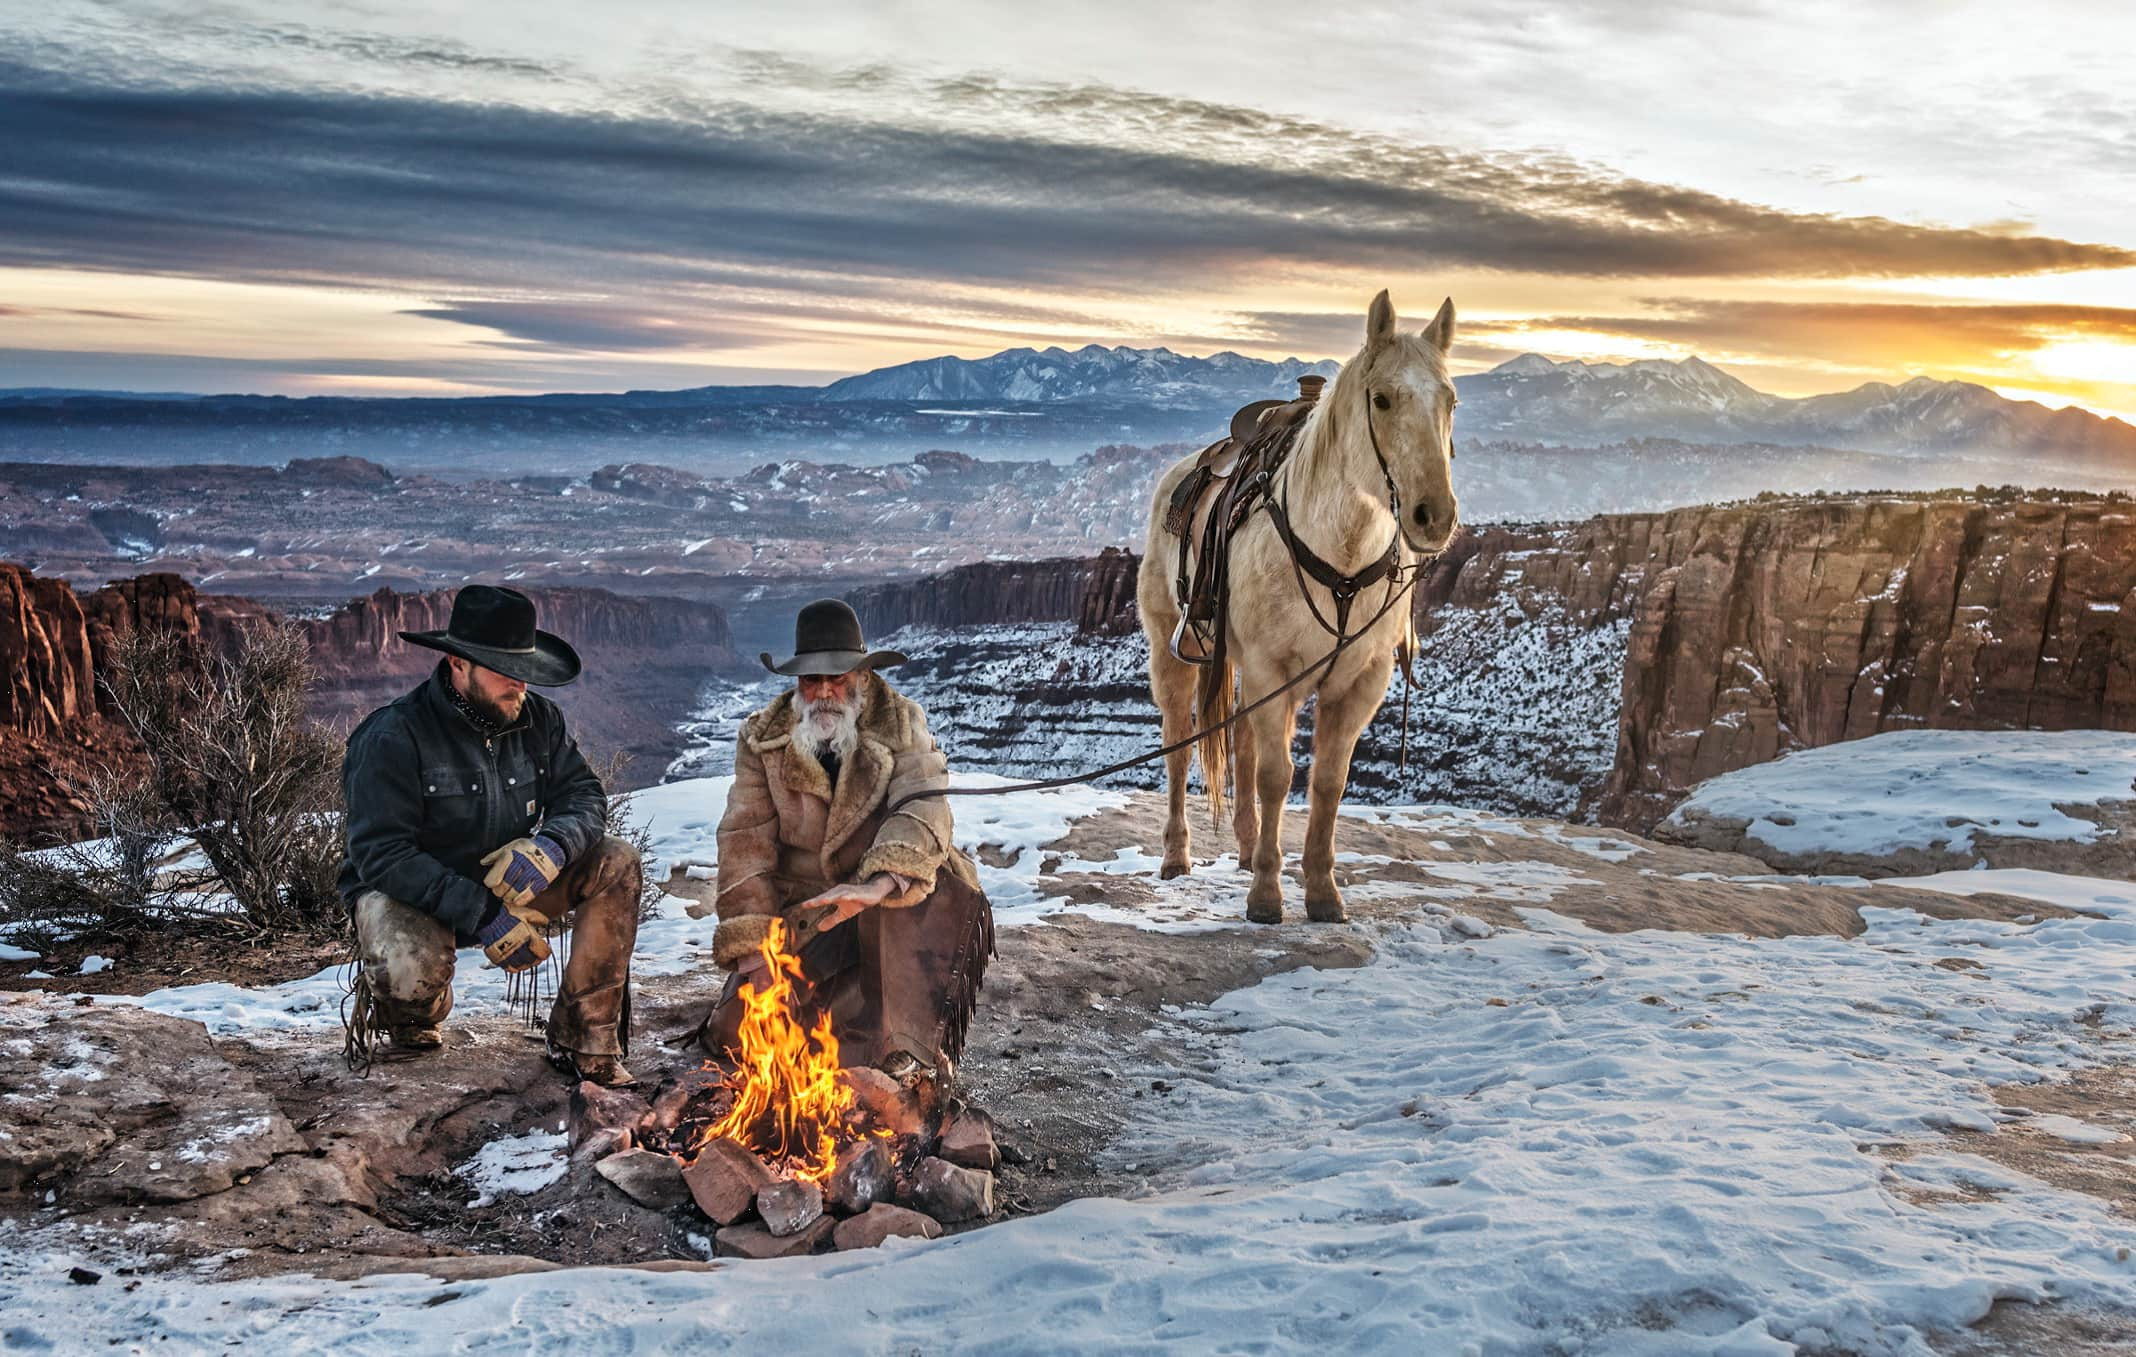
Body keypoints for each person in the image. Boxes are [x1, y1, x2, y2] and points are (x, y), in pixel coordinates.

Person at [338, 584, 641, 1086]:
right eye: (506, 672)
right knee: (408, 969)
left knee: (617, 861)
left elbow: (584, 795)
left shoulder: (539, 719)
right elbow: (381, 855)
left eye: (526, 672)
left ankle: (585, 1040)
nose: (521, 686)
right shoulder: (393, 736)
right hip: (417, 896)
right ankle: (412, 1012)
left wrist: (553, 846)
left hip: (513, 882)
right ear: (459, 664)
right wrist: (484, 916)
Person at [694, 599, 991, 1087]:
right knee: (737, 1034)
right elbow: (744, 842)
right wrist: (755, 956)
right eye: (812, 679)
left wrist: (874, 887)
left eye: (839, 676)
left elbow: (923, 806)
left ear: (863, 676)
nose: (826, 691)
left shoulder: (901, 723)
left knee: (872, 1044)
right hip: (809, 908)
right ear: (797, 684)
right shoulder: (762, 740)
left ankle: (904, 1046)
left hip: (887, 904)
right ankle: (841, 1003)